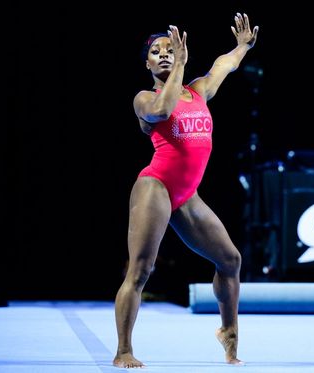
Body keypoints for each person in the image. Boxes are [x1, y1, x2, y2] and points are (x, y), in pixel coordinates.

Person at [113, 14, 259, 368]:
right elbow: (164, 109)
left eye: (169, 49)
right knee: (141, 269)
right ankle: (123, 350)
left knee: (230, 260)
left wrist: (241, 47)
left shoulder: (198, 91)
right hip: (155, 187)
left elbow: (224, 66)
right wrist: (179, 63)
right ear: (146, 63)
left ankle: (228, 331)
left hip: (187, 194)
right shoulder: (144, 99)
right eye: (156, 52)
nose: (164, 54)